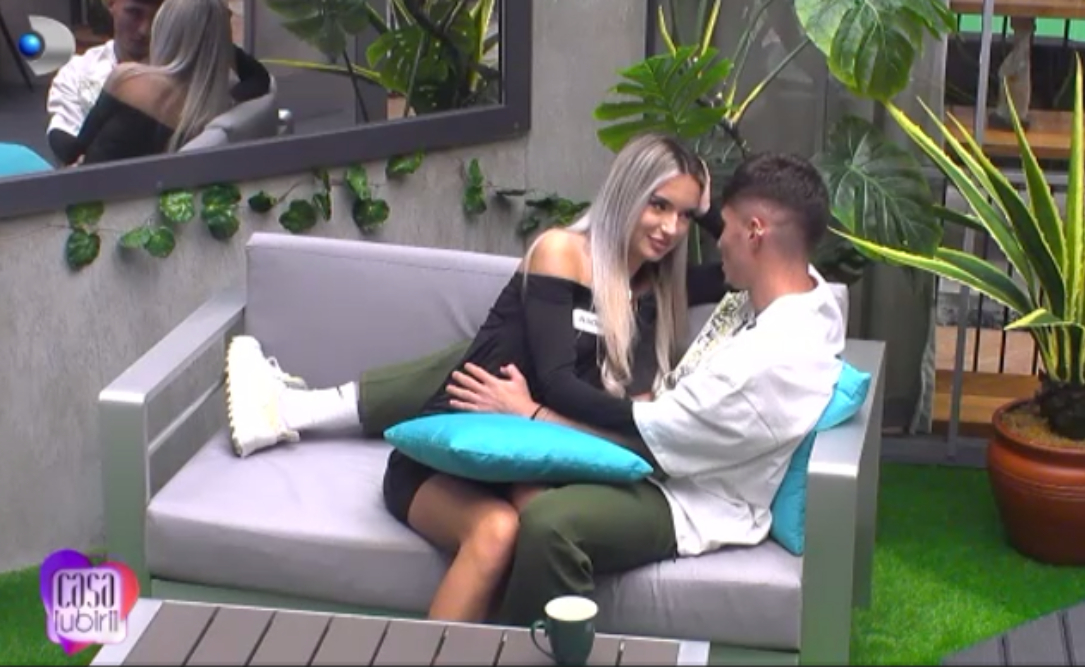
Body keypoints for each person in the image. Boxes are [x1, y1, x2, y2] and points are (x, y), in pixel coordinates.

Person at [222, 133, 730, 623]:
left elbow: (742, 270)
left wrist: (709, 208)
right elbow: (557, 382)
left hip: (538, 461)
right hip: (455, 451)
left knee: (546, 525)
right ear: (627, 194)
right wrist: (649, 421)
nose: (671, 227)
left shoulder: (657, 288)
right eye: (659, 205)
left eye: (685, 215)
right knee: (496, 532)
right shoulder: (563, 253)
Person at [443, 152, 847, 625]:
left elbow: (642, 437)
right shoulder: (804, 292)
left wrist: (533, 415)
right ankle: (368, 402)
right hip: (674, 442)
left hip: (690, 494)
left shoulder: (760, 363)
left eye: (723, 226)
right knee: (485, 370)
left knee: (550, 523)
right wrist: (708, 207)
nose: (717, 239)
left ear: (755, 233)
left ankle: (529, 650)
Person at [46, 0, 270, 165]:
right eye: (134, 13)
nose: (145, 30)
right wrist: (210, 39)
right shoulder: (210, 100)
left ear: (166, 24)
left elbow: (72, 151)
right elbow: (260, 77)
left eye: (155, 18)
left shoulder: (127, 78)